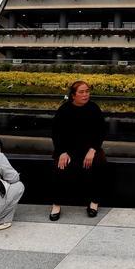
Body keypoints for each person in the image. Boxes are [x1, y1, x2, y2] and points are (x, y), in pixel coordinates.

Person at [49, 80, 107, 221]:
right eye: (81, 92)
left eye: (87, 91)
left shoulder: (94, 109)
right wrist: (62, 151)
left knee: (99, 163)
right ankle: (56, 204)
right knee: (60, 166)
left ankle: (94, 203)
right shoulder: (64, 110)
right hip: (68, 150)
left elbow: (101, 132)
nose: (85, 94)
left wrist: (93, 149)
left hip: (90, 149)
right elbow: (56, 134)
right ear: (73, 95)